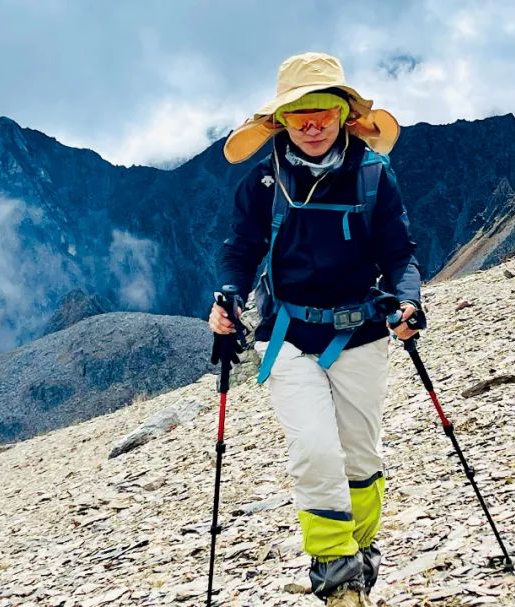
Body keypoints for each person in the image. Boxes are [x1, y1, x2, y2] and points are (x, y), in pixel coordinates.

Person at [210, 52, 422, 606]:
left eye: (322, 109)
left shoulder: (373, 175)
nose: (310, 124)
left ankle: (360, 553)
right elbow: (240, 250)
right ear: (279, 120)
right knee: (314, 452)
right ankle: (338, 579)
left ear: (343, 113)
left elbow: (400, 254)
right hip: (286, 336)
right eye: (297, 113)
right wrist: (227, 296)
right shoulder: (262, 183)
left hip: (364, 334)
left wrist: (408, 303)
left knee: (359, 457)